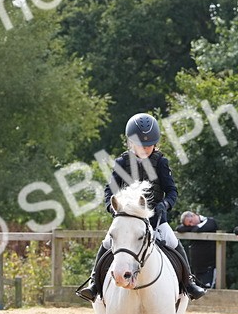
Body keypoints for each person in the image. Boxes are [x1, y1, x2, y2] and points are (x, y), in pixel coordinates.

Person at [76, 114, 206, 302]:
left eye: (149, 145)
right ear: (131, 143)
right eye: (140, 145)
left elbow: (171, 191)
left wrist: (165, 204)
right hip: (127, 220)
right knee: (106, 244)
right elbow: (109, 191)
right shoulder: (122, 162)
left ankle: (189, 283)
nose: (145, 149)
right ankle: (94, 284)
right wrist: (113, 209)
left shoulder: (161, 162)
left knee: (173, 243)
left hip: (155, 219)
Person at [175, 211, 218, 288]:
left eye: (191, 221)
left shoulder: (209, 221)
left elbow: (199, 229)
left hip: (209, 267)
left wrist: (193, 228)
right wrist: (193, 227)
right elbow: (179, 229)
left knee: (209, 290)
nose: (191, 225)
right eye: (189, 225)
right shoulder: (195, 226)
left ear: (194, 215)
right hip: (196, 268)